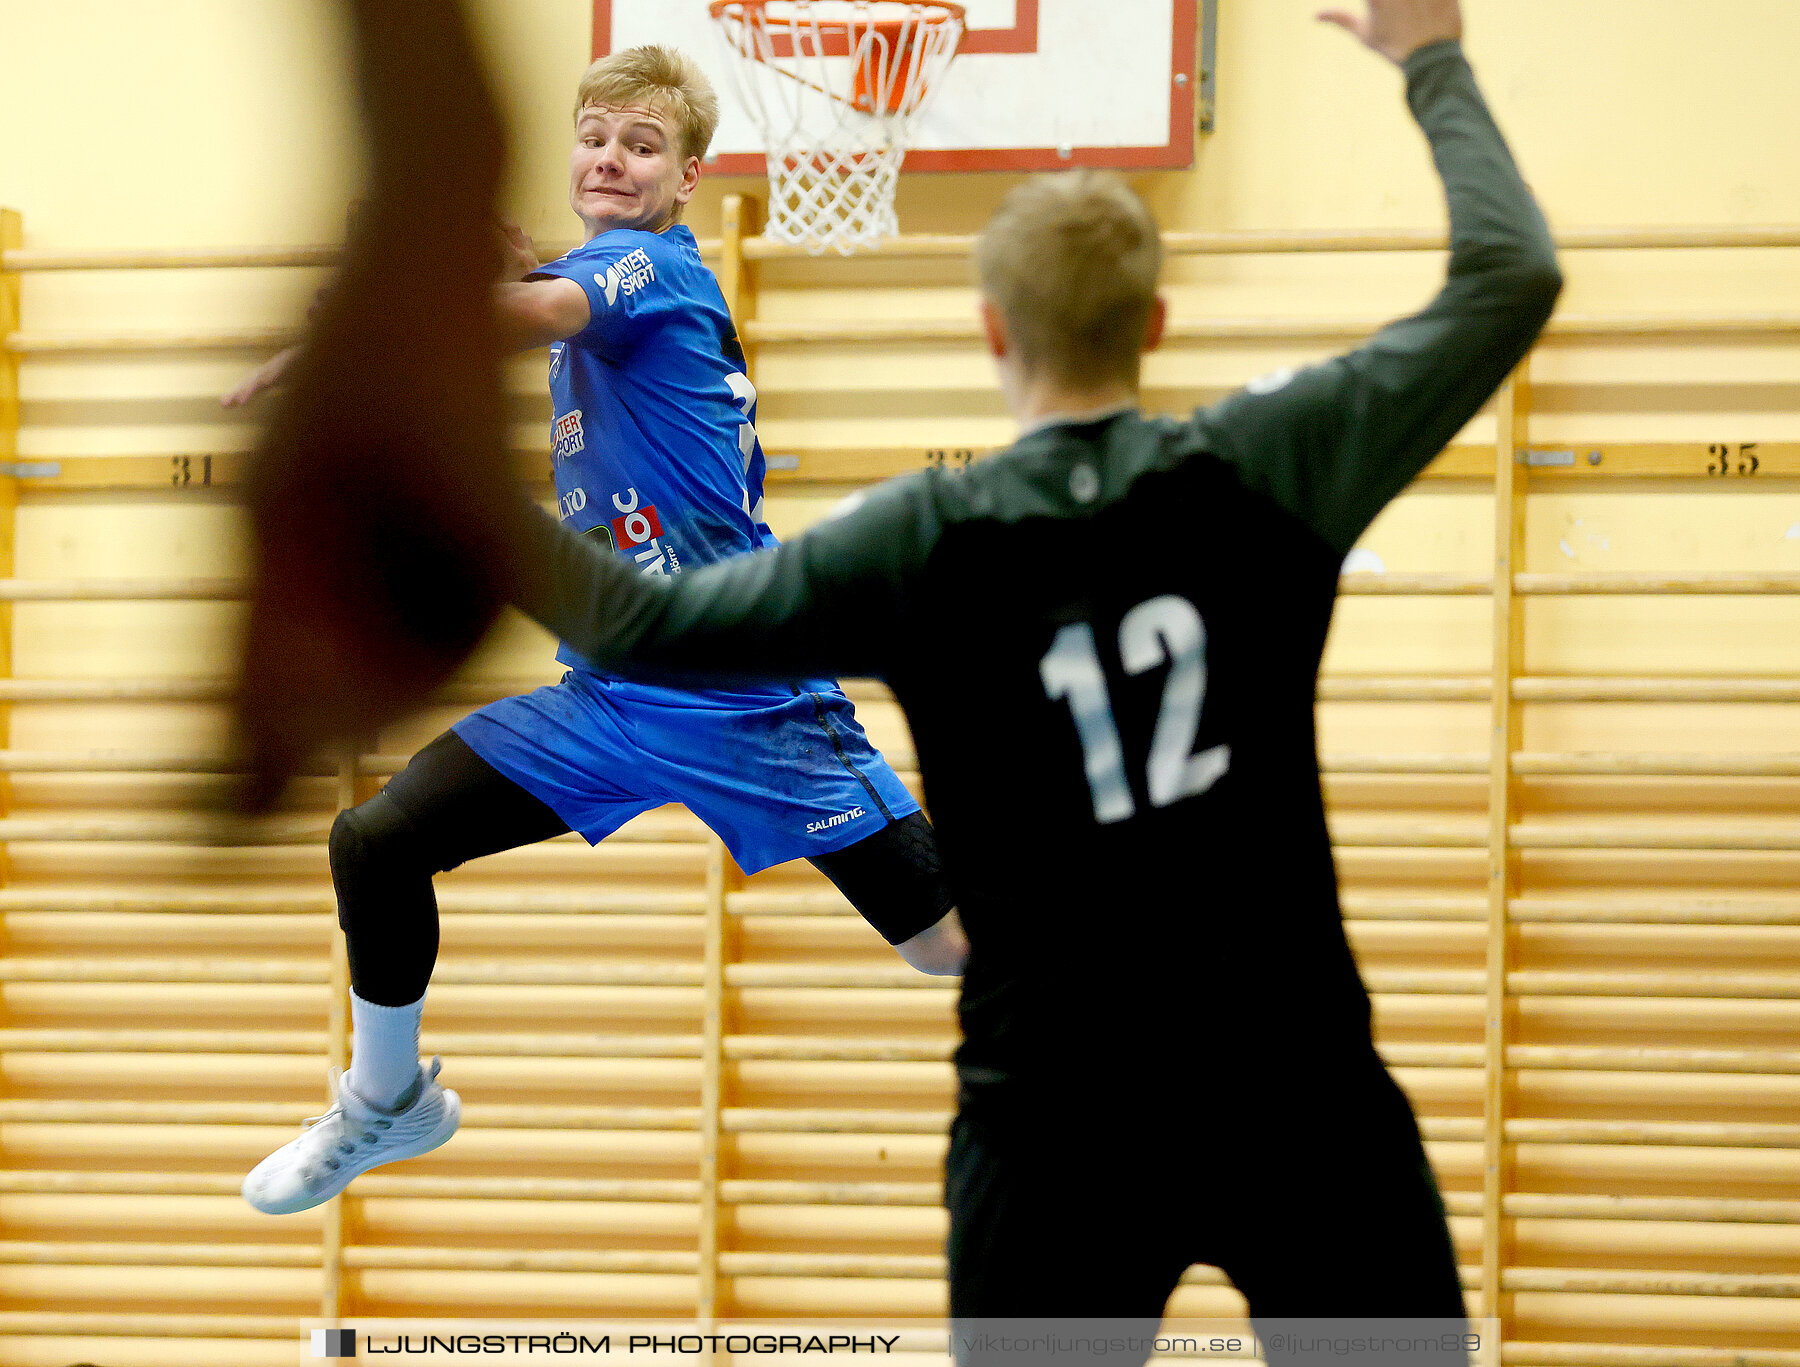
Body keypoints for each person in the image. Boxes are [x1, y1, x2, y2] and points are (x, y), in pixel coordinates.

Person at [497, 2, 1559, 1357]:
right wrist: (1434, 63)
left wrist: (432, 455)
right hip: (1294, 1088)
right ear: (1156, 322)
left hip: (1051, 1111)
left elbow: (636, 623)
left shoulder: (918, 546)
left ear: (992, 331)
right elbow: (1509, 278)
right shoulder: (1264, 469)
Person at [238, 43, 966, 1219]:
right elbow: (542, 301)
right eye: (595, 138)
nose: (612, 160)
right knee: (376, 842)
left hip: (747, 698)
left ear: (686, 177)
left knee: (950, 946)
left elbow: (543, 309)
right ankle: (386, 1101)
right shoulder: (593, 272)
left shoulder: (653, 267)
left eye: (643, 145)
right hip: (613, 693)